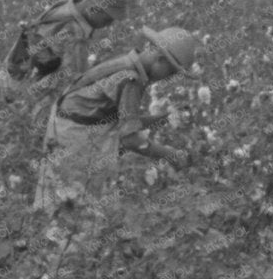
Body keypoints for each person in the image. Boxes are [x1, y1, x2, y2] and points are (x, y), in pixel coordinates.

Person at [32, 26, 196, 219]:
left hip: (65, 125)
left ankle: (47, 238)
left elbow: (121, 119)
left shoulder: (124, 63)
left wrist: (162, 119)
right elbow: (130, 139)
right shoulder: (131, 80)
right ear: (161, 61)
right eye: (170, 74)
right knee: (76, 207)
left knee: (55, 196)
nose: (166, 79)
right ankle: (64, 245)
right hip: (76, 137)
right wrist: (171, 155)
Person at [0, 0, 134, 90]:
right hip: (20, 92)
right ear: (94, 9)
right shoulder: (76, 34)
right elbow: (77, 82)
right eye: (108, 18)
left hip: (10, 71)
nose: (110, 24)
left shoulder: (69, 3)